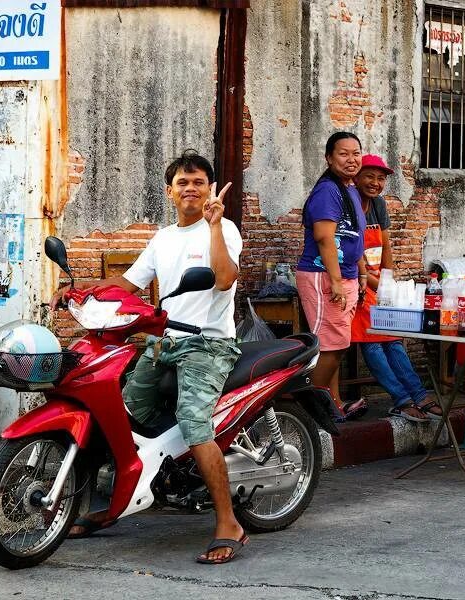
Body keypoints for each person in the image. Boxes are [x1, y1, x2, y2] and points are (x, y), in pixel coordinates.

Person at [52, 150, 248, 564]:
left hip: (208, 345)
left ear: (209, 189)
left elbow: (226, 278)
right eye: (183, 183)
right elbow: (128, 282)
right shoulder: (163, 238)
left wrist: (213, 225)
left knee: (195, 423)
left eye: (198, 182)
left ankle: (228, 522)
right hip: (164, 343)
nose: (191, 189)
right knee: (120, 415)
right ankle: (118, 500)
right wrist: (79, 291)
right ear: (169, 191)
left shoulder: (224, 229)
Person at [349, 154, 442, 422]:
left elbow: (386, 246)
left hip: (379, 284)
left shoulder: (379, 205)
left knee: (393, 339)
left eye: (380, 179)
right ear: (356, 177)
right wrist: (382, 286)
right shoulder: (349, 203)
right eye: (369, 176)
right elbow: (349, 252)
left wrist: (389, 281)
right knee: (374, 344)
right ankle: (402, 400)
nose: (375, 183)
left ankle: (418, 395)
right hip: (357, 282)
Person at [296, 132, 368, 420]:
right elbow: (325, 238)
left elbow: (355, 236)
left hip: (345, 276)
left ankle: (333, 403)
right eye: (343, 153)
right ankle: (307, 411)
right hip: (323, 275)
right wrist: (336, 281)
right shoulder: (327, 190)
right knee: (331, 346)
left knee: (335, 346)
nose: (352, 159)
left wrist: (360, 272)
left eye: (356, 153)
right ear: (329, 158)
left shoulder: (349, 188)